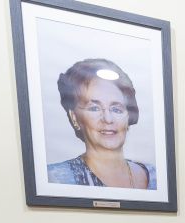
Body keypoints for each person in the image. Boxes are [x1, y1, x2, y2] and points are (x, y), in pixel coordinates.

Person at [47, 58, 156, 189]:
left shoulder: (156, 177)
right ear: (74, 118)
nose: (108, 119)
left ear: (128, 116)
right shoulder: (55, 178)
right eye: (94, 108)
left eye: (116, 109)